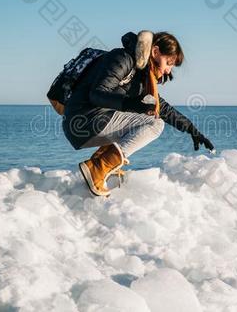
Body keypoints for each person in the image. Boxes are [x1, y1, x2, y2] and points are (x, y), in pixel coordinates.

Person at [62, 30, 215, 196]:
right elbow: (97, 94)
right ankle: (99, 167)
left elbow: (161, 107)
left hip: (88, 123)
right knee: (155, 123)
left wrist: (191, 129)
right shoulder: (123, 58)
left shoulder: (142, 76)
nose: (168, 71)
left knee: (147, 119)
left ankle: (101, 166)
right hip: (84, 120)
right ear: (155, 52)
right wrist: (130, 104)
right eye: (168, 63)